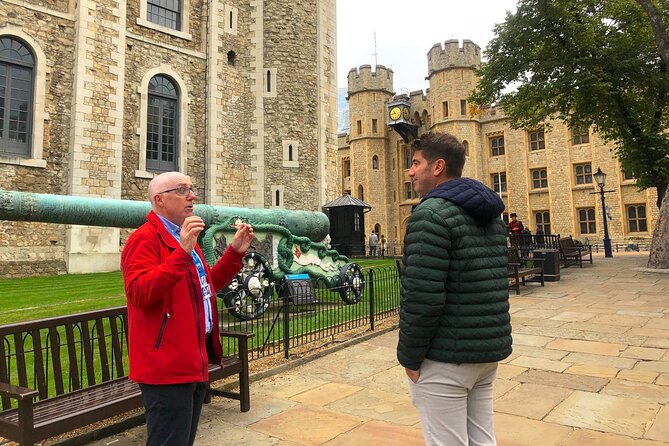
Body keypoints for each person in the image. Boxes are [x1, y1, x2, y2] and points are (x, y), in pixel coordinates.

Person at [121, 171, 254, 446]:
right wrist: (181, 253)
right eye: (182, 190)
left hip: (193, 360)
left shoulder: (186, 237)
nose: (192, 196)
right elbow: (139, 293)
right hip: (166, 367)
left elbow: (207, 285)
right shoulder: (144, 239)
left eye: (191, 189)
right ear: (159, 200)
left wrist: (234, 253)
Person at [397, 132, 511, 446]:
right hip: (485, 351)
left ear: (438, 167)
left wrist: (409, 357)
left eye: (416, 163)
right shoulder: (489, 215)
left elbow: (422, 298)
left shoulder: (430, 215)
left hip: (446, 357)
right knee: (482, 441)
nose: (410, 171)